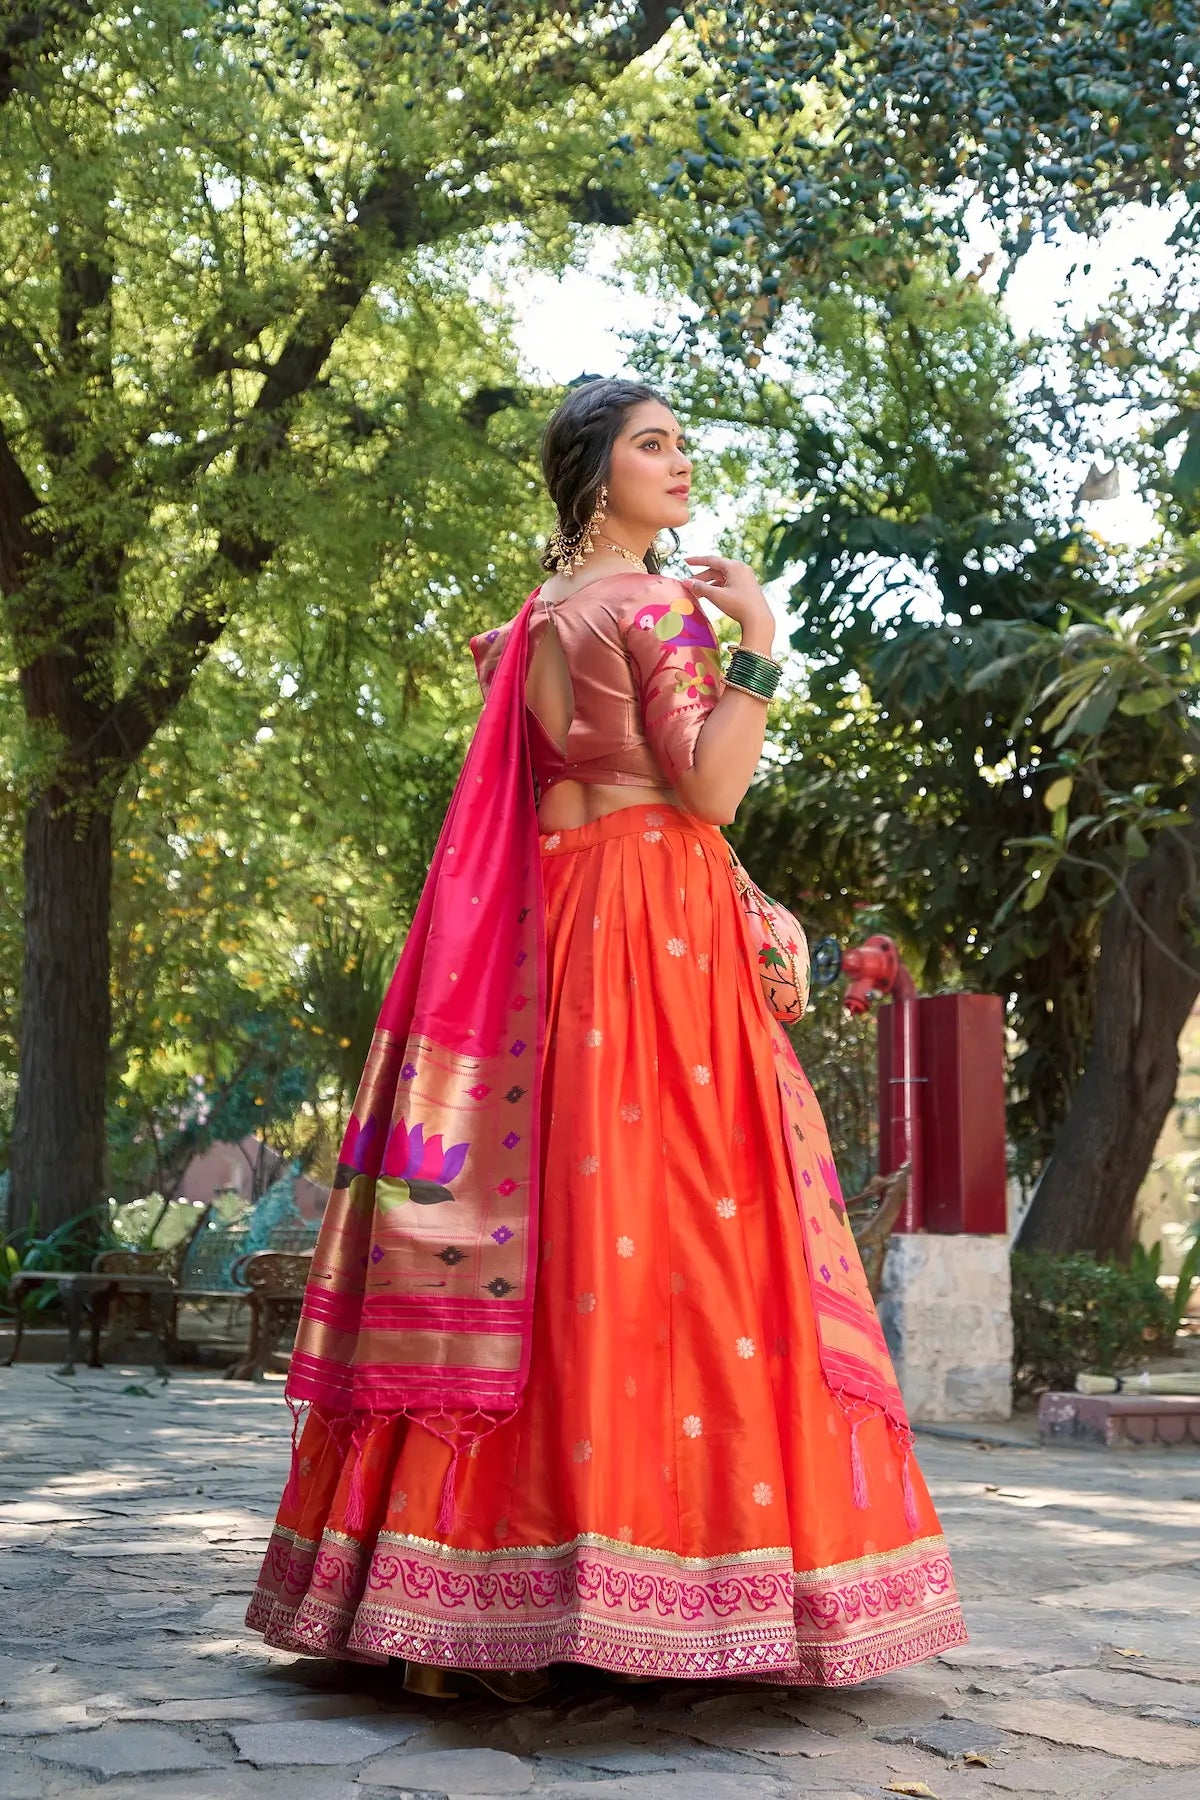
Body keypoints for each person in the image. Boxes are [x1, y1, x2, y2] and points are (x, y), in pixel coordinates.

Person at [245, 376, 968, 1699]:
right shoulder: (650, 606)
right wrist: (759, 638)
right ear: (595, 475)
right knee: (686, 1228)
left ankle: (458, 1599)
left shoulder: (534, 619)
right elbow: (711, 785)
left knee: (552, 1229)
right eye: (652, 445)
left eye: (682, 444)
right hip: (654, 935)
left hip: (557, 929)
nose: (679, 463)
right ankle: (652, 1587)